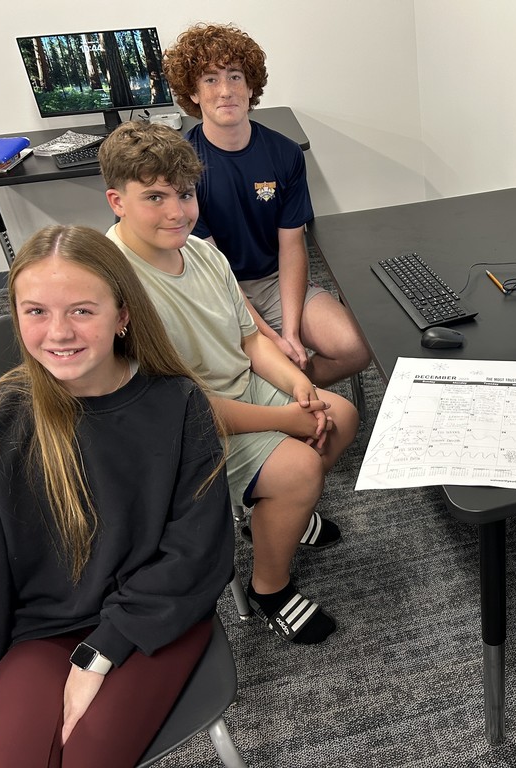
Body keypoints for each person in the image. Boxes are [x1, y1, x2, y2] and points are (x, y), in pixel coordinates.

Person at [0, 226, 235, 767]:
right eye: (35, 312)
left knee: (86, 757)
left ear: (123, 315)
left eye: (81, 311)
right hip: (43, 632)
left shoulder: (179, 404)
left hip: (154, 621)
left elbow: (199, 554)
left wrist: (101, 651)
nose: (58, 333)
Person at [98, 120, 359, 647]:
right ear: (116, 201)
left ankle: (274, 512)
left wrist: (296, 384)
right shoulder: (116, 287)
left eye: (185, 194)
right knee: (301, 463)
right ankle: (270, 587)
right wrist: (284, 417)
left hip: (236, 389)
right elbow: (174, 408)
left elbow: (249, 340)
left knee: (339, 416)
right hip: (179, 431)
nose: (177, 211)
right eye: (154, 197)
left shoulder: (202, 253)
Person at [161, 22, 371, 388]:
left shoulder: (285, 153)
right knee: (232, 375)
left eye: (235, 76)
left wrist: (289, 332)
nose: (225, 91)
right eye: (210, 80)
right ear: (192, 93)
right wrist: (272, 341)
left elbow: (292, 247)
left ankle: (286, 400)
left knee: (354, 348)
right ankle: (282, 398)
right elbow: (214, 268)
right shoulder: (182, 164)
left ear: (252, 85)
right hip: (217, 289)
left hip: (276, 281)